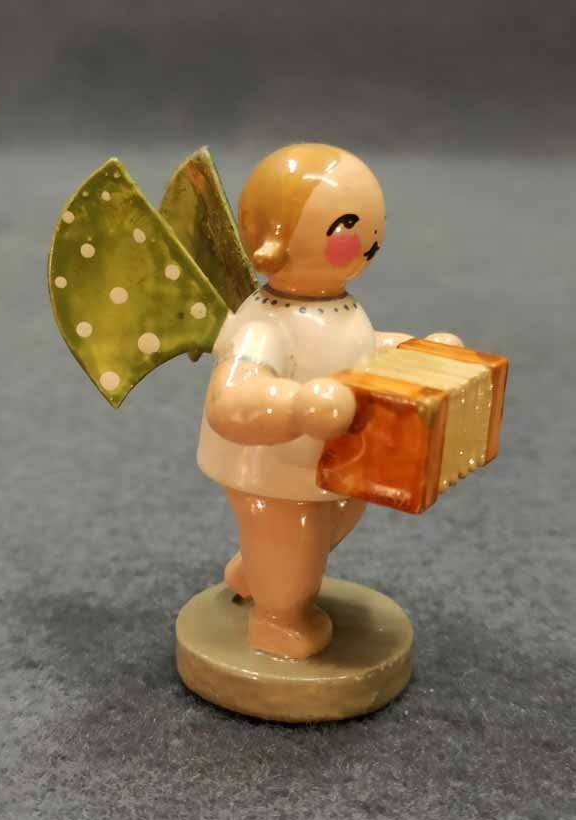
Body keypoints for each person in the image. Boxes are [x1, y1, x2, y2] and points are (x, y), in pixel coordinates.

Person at [197, 143, 461, 660]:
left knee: (327, 526)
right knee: (295, 536)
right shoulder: (263, 324)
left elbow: (361, 351)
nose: (370, 241)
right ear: (275, 243)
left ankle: (255, 571)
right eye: (348, 226)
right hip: (273, 470)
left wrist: (414, 352)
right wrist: (298, 406)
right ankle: (278, 621)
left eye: (375, 227)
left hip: (333, 463)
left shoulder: (342, 308)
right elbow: (231, 398)